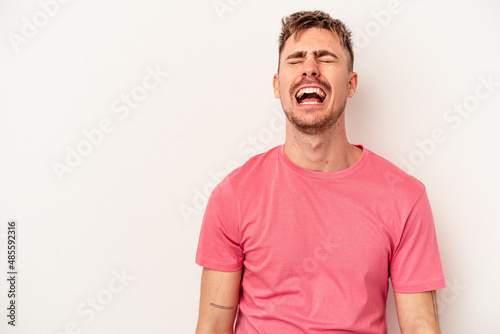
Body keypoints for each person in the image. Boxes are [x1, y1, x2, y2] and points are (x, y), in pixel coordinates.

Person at [195, 10, 446, 334]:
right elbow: (212, 326)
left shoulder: (405, 198)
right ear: (277, 85)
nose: (310, 68)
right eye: (296, 59)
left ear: (352, 83)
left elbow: (420, 327)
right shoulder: (233, 196)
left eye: (325, 58)